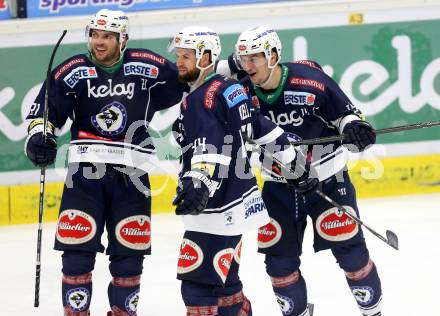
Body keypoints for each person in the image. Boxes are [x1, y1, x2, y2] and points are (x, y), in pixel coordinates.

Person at [24, 9, 187, 315]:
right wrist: (39, 137)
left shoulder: (148, 65)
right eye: (95, 35)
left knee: (129, 260)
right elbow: (44, 114)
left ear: (122, 40)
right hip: (85, 176)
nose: (98, 42)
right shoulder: (72, 69)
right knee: (76, 256)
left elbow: (190, 78)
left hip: (133, 177)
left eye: (107, 36)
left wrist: (231, 68)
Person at [220, 26, 381, 316]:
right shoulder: (240, 91)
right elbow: (197, 80)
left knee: (353, 256)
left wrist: (356, 129)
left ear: (273, 55)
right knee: (279, 265)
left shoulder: (311, 81)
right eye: (243, 59)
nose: (248, 65)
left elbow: (345, 115)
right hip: (278, 187)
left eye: (255, 57)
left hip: (328, 182)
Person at [167, 25, 316, 316]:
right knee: (225, 284)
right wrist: (295, 164)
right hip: (239, 203)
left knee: (196, 286)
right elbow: (262, 128)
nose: (179, 62)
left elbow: (209, 145)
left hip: (215, 206)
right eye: (179, 56)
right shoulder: (231, 88)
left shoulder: (201, 100)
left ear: (206, 57)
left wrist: (199, 182)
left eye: (186, 56)